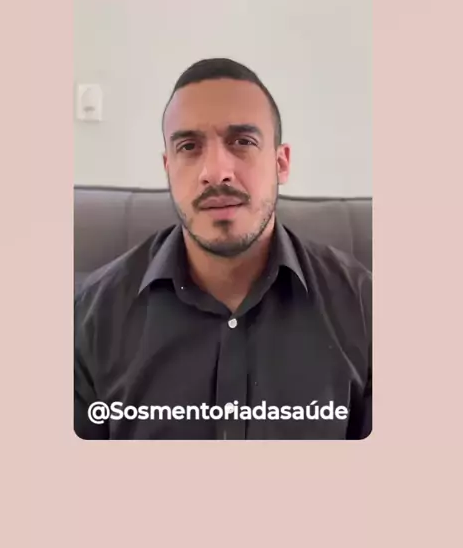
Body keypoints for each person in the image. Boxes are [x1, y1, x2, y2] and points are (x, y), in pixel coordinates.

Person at [74, 58, 372, 440]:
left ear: (281, 163)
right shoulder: (90, 317)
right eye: (189, 146)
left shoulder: (365, 308)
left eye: (242, 142)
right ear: (168, 168)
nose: (215, 172)